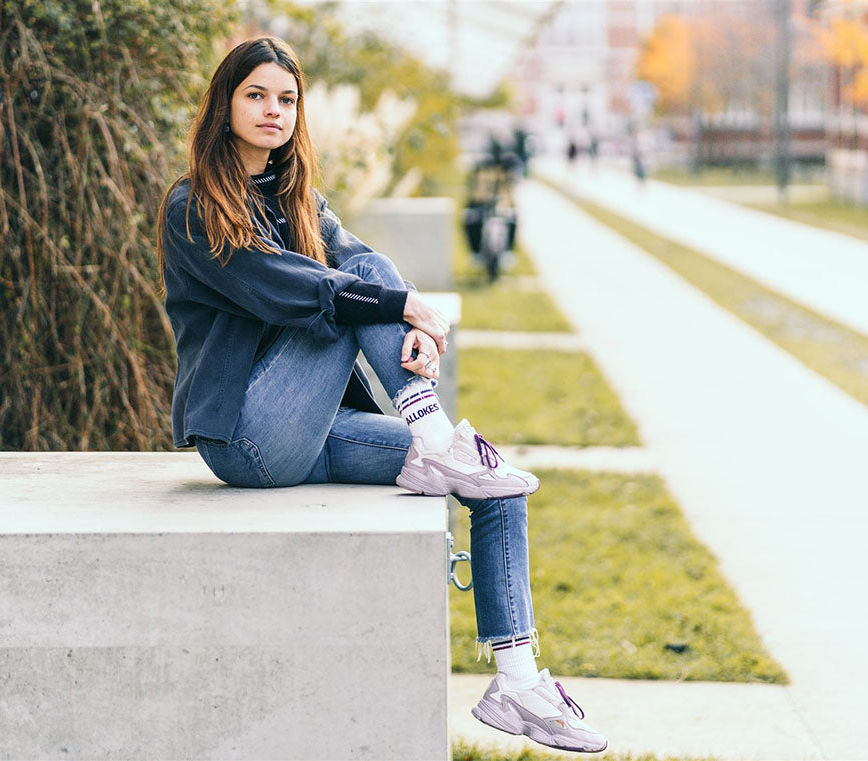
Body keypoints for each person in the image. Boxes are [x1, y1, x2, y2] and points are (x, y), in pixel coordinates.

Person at [155, 36, 607, 753]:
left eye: (287, 98)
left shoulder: (298, 197)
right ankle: (436, 439)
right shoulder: (194, 205)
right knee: (344, 303)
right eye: (256, 95)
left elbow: (362, 259)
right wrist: (397, 308)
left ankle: (517, 682)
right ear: (225, 104)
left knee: (496, 483)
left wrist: (411, 308)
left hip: (308, 429)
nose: (274, 110)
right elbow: (294, 293)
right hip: (243, 435)